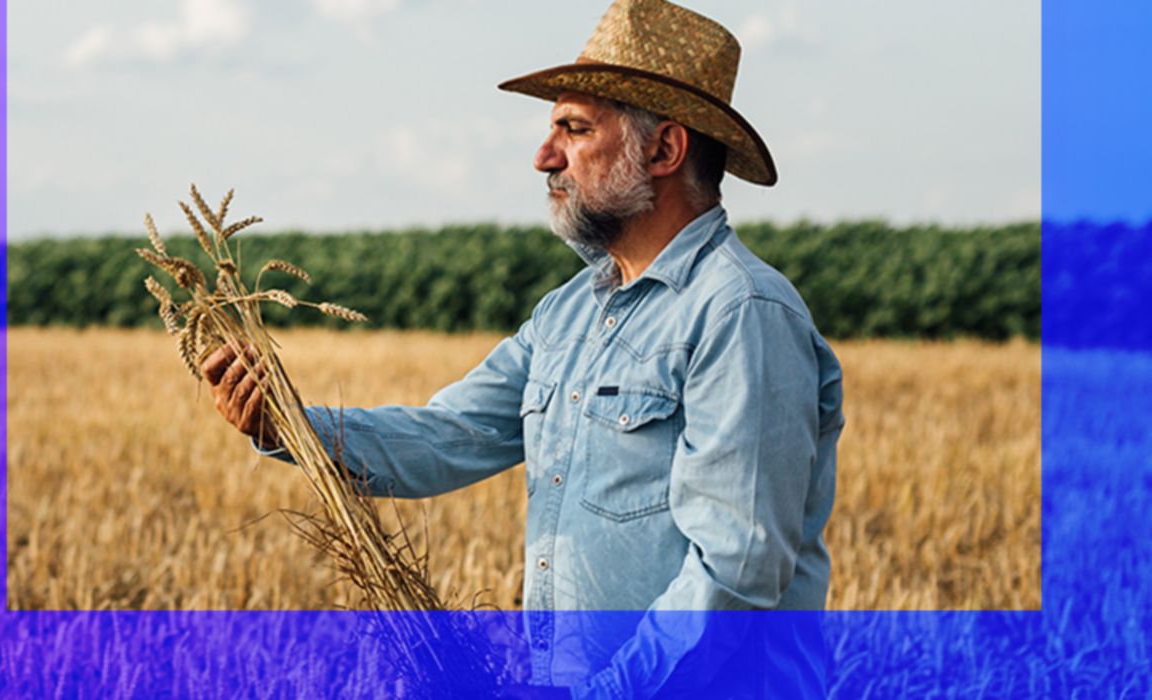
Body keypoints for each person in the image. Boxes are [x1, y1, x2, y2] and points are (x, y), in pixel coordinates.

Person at [203, 1, 844, 697]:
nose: (545, 156)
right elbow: (448, 436)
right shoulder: (569, 313)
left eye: (574, 130)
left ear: (664, 150)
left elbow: (735, 573)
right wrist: (288, 424)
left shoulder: (740, 311)